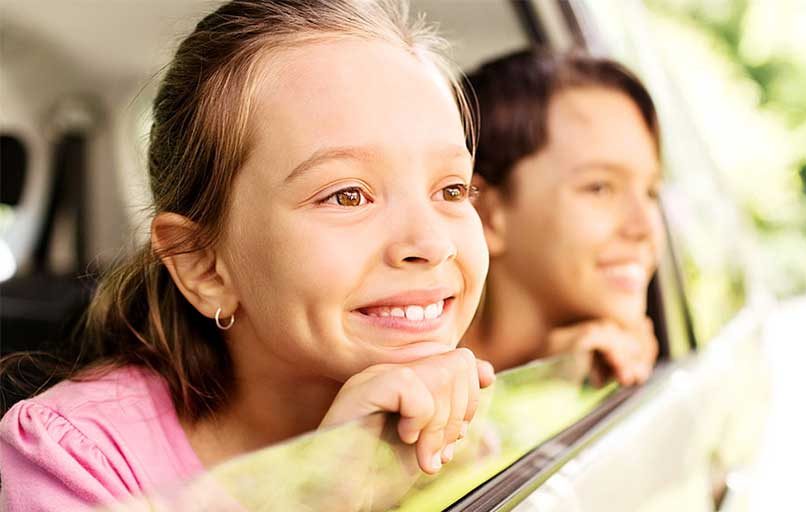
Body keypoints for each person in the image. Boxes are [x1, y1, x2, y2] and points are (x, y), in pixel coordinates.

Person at [0, 1, 494, 509]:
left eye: (452, 190)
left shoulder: (462, 426)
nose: (433, 244)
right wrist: (324, 497)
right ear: (204, 268)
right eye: (347, 195)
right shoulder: (81, 460)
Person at [461, 50, 664, 386]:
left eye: (651, 192)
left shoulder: (602, 363)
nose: (644, 227)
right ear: (486, 214)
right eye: (599, 188)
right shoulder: (387, 393)